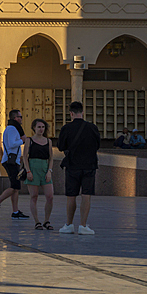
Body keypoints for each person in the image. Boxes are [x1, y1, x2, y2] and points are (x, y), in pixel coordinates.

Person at [56, 101, 101, 235]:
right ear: (82, 112)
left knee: (71, 196)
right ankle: (83, 225)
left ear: (71, 113)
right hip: (89, 166)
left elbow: (60, 146)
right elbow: (97, 145)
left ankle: (69, 224)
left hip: (72, 166)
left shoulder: (66, 128)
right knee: (86, 195)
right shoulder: (92, 127)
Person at [0, 109, 29, 220]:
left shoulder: (12, 128)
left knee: (16, 188)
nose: (21, 119)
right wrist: (23, 141)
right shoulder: (12, 129)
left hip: (13, 161)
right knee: (15, 186)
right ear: (15, 118)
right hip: (10, 161)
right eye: (19, 117)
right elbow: (12, 144)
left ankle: (15, 211)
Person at [22, 119, 54, 230]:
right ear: (34, 128)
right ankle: (37, 221)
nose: (41, 129)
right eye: (39, 127)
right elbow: (25, 156)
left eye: (43, 127)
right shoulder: (29, 140)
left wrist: (49, 171)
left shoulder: (48, 141)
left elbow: (51, 158)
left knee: (50, 196)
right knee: (34, 196)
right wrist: (28, 171)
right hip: (33, 167)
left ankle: (46, 220)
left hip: (44, 168)